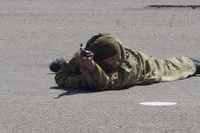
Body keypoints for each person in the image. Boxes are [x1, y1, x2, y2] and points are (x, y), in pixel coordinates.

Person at [50, 33, 199, 91]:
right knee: (72, 65)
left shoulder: (129, 66)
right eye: (110, 63)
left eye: (117, 59)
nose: (116, 65)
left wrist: (90, 70)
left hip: (146, 67)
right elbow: (60, 78)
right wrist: (84, 69)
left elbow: (106, 84)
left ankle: (193, 63)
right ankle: (67, 63)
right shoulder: (89, 55)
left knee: (171, 67)